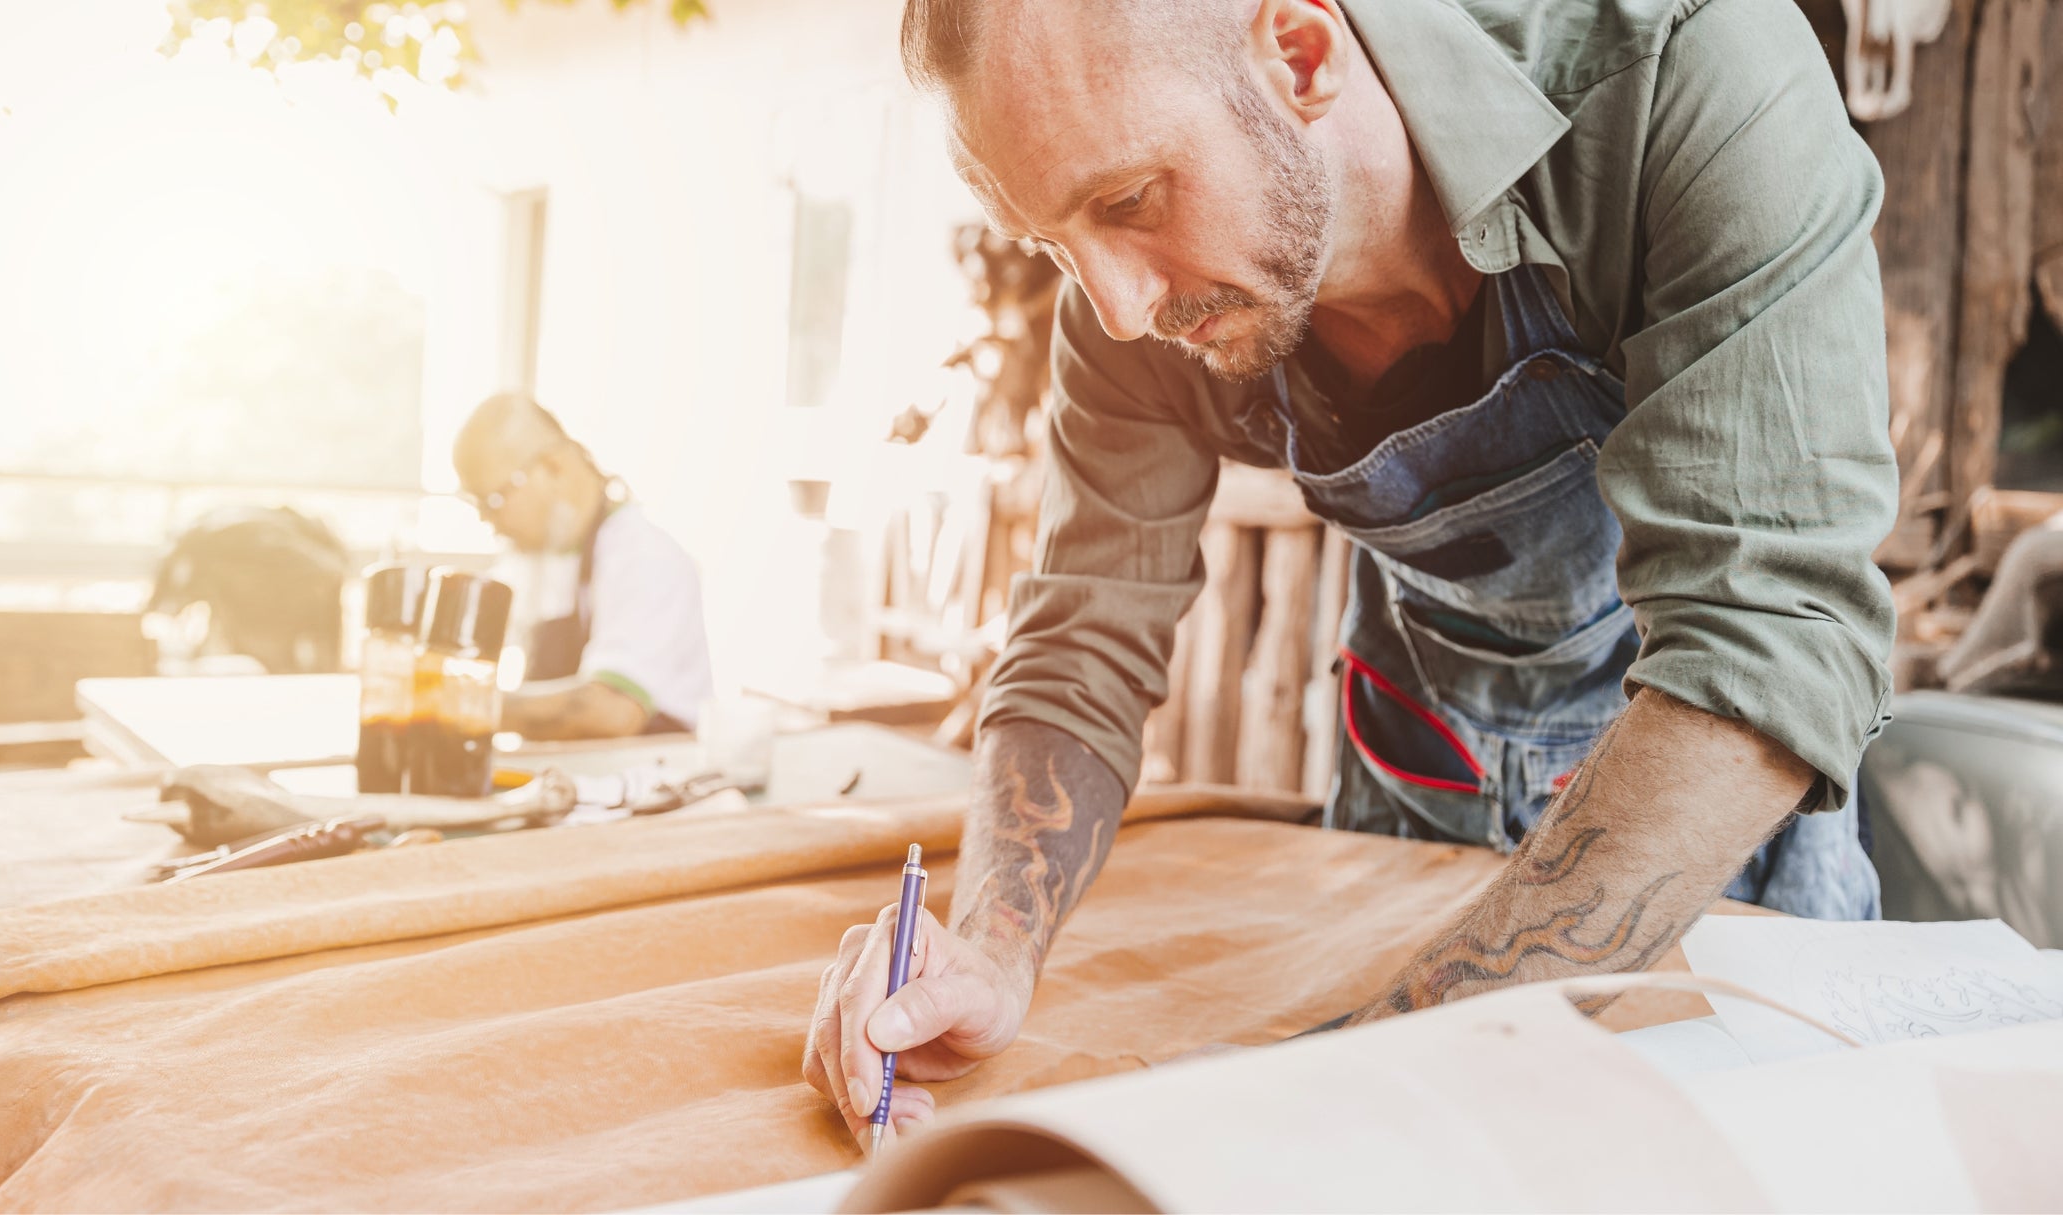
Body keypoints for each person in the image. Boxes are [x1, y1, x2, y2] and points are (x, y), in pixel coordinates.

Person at [805, 0, 1900, 1142]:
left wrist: (1381, 1075)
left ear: (1300, 54)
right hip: (1416, 768)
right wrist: (985, 946)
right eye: (1053, 244)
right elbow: (1083, 635)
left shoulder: (1686, 73)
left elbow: (1767, 629)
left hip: (1710, 815)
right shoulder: (1130, 295)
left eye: (1129, 202)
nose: (1119, 312)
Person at [453, 392, 714, 740]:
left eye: (494, 500)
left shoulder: (645, 558)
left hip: (644, 783)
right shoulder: (541, 563)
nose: (489, 522)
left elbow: (611, 714)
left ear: (553, 468)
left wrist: (461, 705)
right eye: (478, 507)